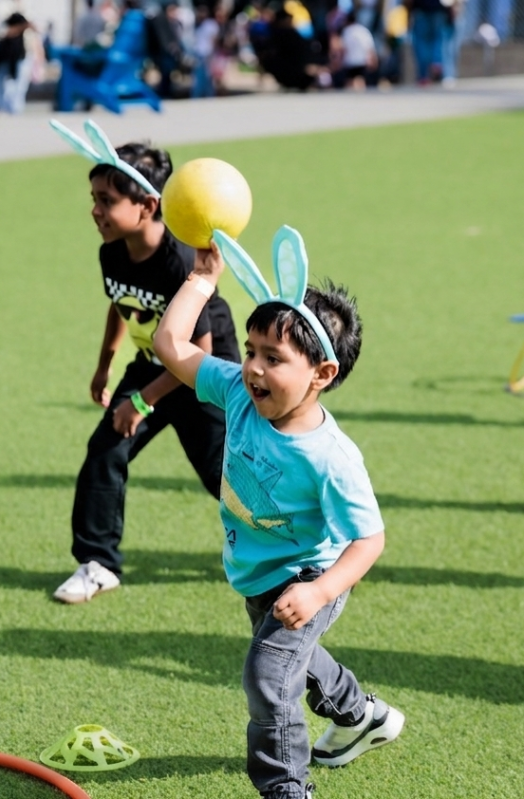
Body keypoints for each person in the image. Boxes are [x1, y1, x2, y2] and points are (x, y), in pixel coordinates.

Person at [153, 234, 404, 799]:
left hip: (312, 575)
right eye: (250, 350)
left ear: (322, 373)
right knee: (299, 661)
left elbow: (370, 539)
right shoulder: (240, 395)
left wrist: (318, 594)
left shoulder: (330, 457)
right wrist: (201, 280)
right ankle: (360, 715)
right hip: (259, 570)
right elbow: (171, 345)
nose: (253, 368)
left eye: (274, 358)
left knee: (268, 676)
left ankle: (286, 789)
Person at [53, 142, 240, 604]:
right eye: (93, 198)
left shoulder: (178, 262)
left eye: (107, 201)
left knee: (227, 477)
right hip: (153, 367)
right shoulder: (113, 250)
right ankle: (98, 564)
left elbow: (196, 352)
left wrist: (140, 402)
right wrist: (105, 365)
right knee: (105, 449)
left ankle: (313, 553)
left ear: (148, 205)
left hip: (203, 378)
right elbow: (122, 304)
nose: (95, 210)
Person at [0, 12, 33, 114]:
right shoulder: (4, 34)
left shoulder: (22, 33)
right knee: (3, 87)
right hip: (4, 61)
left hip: (17, 60)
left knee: (17, 88)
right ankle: (1, 108)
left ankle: (14, 110)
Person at [338, 14, 377, 89]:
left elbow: (343, 48)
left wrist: (340, 61)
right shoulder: (363, 31)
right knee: (361, 81)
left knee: (350, 82)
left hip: (349, 61)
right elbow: (369, 47)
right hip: (362, 60)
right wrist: (373, 60)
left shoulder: (346, 31)